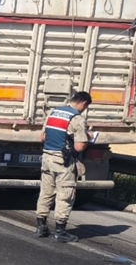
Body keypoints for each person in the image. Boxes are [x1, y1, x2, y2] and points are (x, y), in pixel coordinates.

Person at [35, 91, 94, 243]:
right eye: (85, 107)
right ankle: (60, 231)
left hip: (47, 158)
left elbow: (43, 137)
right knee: (65, 194)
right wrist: (87, 137)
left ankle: (41, 226)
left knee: (46, 192)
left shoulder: (54, 113)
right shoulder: (77, 118)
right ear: (83, 104)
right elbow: (80, 146)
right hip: (63, 161)